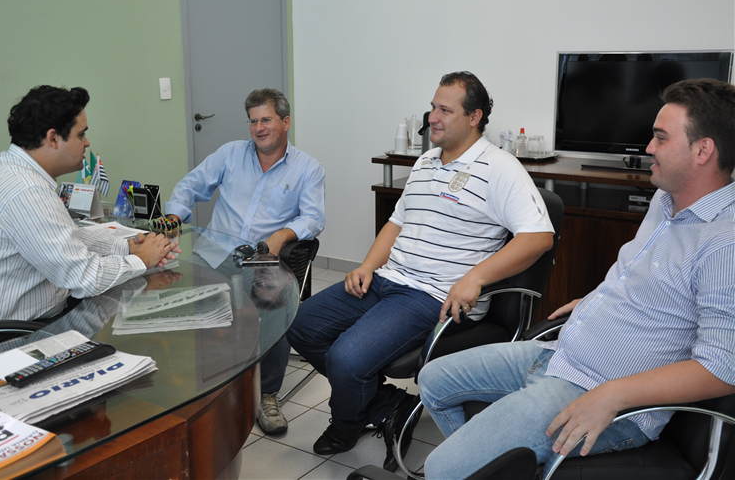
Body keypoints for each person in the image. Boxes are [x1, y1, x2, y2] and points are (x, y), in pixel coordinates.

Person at [418, 78, 735, 479]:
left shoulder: (725, 243)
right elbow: (648, 278)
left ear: (703, 150)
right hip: (560, 356)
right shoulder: (666, 198)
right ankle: (495, 467)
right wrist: (597, 298)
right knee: (432, 379)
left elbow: (723, 367)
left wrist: (613, 395)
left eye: (660, 138)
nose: (649, 148)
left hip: (600, 392)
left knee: (441, 468)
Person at [287, 71, 554, 471]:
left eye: (445, 110)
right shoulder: (426, 160)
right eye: (432, 107)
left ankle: (347, 422)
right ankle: (388, 404)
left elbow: (538, 238)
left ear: (475, 116)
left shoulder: (500, 167)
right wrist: (366, 266)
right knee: (300, 323)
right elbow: (396, 222)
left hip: (432, 295)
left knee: (346, 358)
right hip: (387, 279)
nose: (433, 117)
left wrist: (475, 278)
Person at [0, 85, 179, 334]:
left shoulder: (6, 166)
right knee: (138, 327)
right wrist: (141, 259)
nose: (87, 143)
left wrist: (126, 246)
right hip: (1, 338)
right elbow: (84, 278)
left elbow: (62, 239)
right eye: (81, 134)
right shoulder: (26, 191)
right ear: (53, 138)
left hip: (6, 319)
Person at [164, 88, 325, 434]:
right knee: (182, 301)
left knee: (278, 304)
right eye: (253, 121)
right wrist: (175, 217)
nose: (258, 128)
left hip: (261, 261)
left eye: (266, 119)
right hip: (213, 253)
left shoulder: (308, 168)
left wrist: (281, 235)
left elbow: (314, 218)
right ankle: (204, 387)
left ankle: (266, 393)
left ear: (285, 122)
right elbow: (189, 187)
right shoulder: (230, 154)